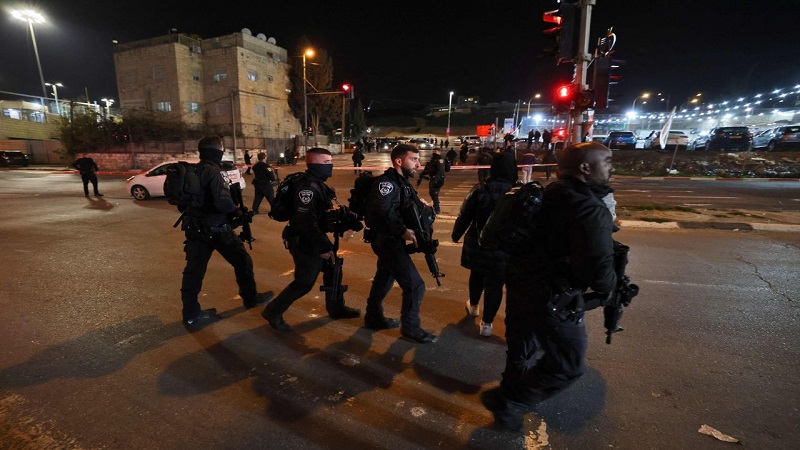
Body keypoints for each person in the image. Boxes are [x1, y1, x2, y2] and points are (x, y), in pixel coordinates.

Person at [481, 142, 618, 431]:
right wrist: (612, 284)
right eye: (606, 161)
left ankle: (509, 404)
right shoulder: (589, 209)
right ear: (585, 167)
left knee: (521, 350)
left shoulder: (548, 193)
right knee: (568, 365)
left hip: (521, 286)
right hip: (554, 299)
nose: (611, 167)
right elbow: (598, 273)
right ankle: (509, 400)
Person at [261, 147, 362, 331]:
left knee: (334, 269)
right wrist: (324, 247)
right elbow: (304, 221)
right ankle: (272, 311)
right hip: (306, 240)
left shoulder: (317, 183)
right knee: (304, 282)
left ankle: (336, 307)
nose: (330, 166)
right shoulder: (307, 187)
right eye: (327, 162)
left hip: (315, 236)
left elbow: (319, 215)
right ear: (315, 164)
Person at [178, 136, 274, 328]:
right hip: (217, 229)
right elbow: (222, 202)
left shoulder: (192, 171)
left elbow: (182, 204)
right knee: (242, 261)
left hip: (194, 228)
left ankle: (190, 314)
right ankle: (250, 298)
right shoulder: (215, 171)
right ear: (218, 152)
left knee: (193, 272)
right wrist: (237, 212)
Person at [363, 144, 437, 344]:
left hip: (391, 239)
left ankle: (373, 317)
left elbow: (404, 207)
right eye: (414, 159)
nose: (418, 164)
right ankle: (411, 328)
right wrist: (401, 231)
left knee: (384, 278)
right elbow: (379, 213)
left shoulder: (401, 182)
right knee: (415, 286)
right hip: (387, 240)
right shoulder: (386, 183)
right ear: (399, 161)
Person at [451, 160, 516, 336]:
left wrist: (456, 235)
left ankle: (473, 307)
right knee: (496, 284)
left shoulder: (480, 189)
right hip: (503, 246)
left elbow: (464, 215)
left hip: (477, 242)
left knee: (477, 274)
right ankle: (487, 324)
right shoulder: (517, 192)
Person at [416, 148, 445, 214]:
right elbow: (429, 169)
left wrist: (435, 178)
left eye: (436, 151)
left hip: (438, 179)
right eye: (433, 151)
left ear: (439, 152)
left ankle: (437, 209)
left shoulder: (440, 160)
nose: (434, 153)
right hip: (433, 179)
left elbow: (441, 171)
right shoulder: (433, 160)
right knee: (432, 193)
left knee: (434, 193)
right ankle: (436, 208)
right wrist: (422, 174)